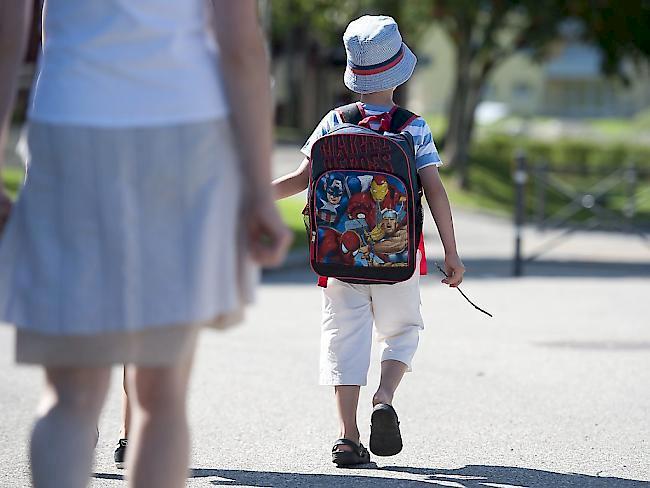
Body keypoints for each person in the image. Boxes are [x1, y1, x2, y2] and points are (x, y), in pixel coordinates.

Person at [0, 1, 291, 487]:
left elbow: (10, 30)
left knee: (70, 397)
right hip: (183, 134)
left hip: (70, 126)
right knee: (161, 394)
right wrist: (260, 191)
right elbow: (240, 45)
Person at [273, 15, 465, 466]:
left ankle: (348, 437)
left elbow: (302, 179)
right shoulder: (412, 127)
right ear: (399, 72)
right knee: (403, 331)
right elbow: (434, 190)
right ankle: (384, 397)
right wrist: (452, 253)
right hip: (397, 259)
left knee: (344, 342)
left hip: (339, 257)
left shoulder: (333, 122)